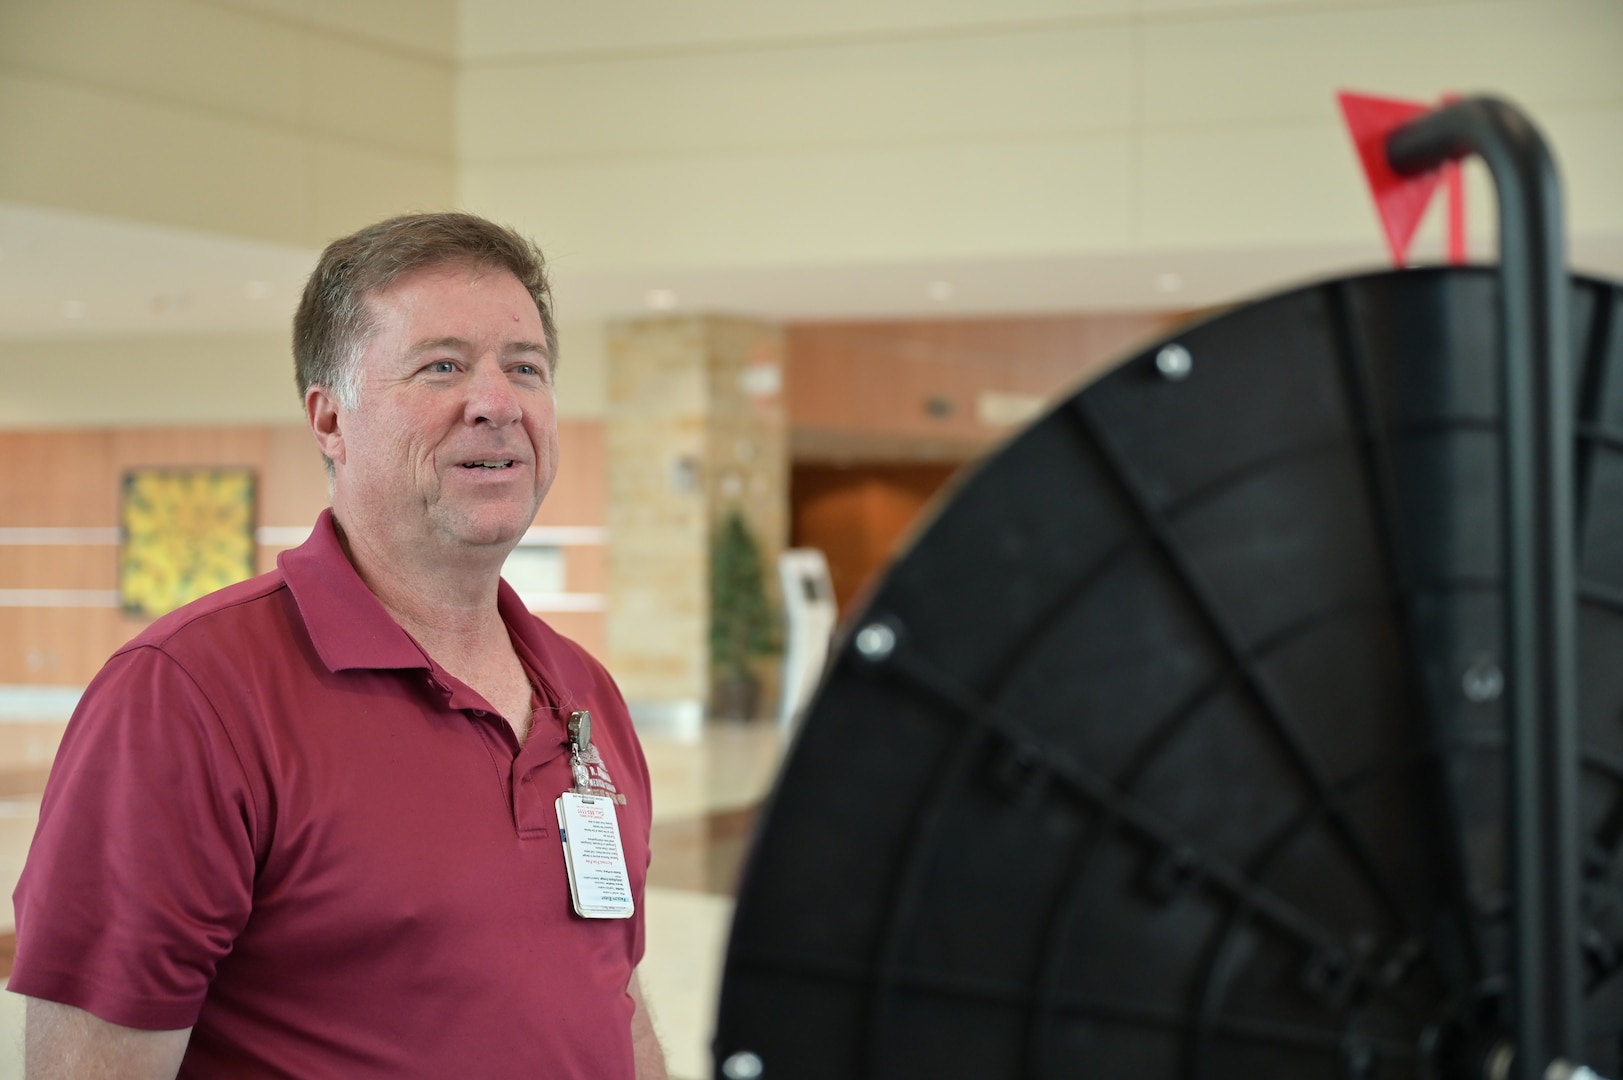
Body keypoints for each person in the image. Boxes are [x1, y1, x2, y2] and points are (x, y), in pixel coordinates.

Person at [10, 212, 666, 1079]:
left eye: (525, 368)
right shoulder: (188, 697)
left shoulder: (581, 694)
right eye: (442, 366)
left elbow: (608, 993)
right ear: (328, 420)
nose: (497, 402)